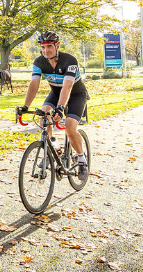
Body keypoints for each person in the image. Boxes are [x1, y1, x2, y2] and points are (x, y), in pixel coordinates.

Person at [16, 31, 89, 175]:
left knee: (69, 127)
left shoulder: (70, 61)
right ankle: (52, 150)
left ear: (57, 46)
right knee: (43, 115)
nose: (46, 50)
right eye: (43, 47)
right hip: (56, 93)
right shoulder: (39, 62)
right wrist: (26, 106)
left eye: (49, 46)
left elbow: (67, 86)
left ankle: (81, 159)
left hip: (76, 95)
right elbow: (34, 84)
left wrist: (60, 108)